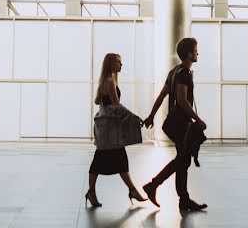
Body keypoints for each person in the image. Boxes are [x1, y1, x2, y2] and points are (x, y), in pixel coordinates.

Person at [141, 38, 208, 212]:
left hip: (172, 124)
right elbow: (182, 100)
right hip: (181, 125)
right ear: (188, 54)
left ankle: (183, 199)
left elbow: (163, 95)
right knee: (182, 160)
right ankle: (153, 185)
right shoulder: (184, 73)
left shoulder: (173, 72)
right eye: (195, 50)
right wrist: (198, 120)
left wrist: (151, 116)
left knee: (183, 160)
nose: (197, 53)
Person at [85, 54, 146, 207]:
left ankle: (94, 192)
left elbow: (100, 101)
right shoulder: (110, 81)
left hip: (107, 130)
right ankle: (131, 191)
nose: (121, 65)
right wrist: (134, 117)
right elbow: (116, 106)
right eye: (119, 62)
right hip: (110, 131)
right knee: (113, 160)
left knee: (110, 160)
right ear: (111, 64)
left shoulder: (105, 81)